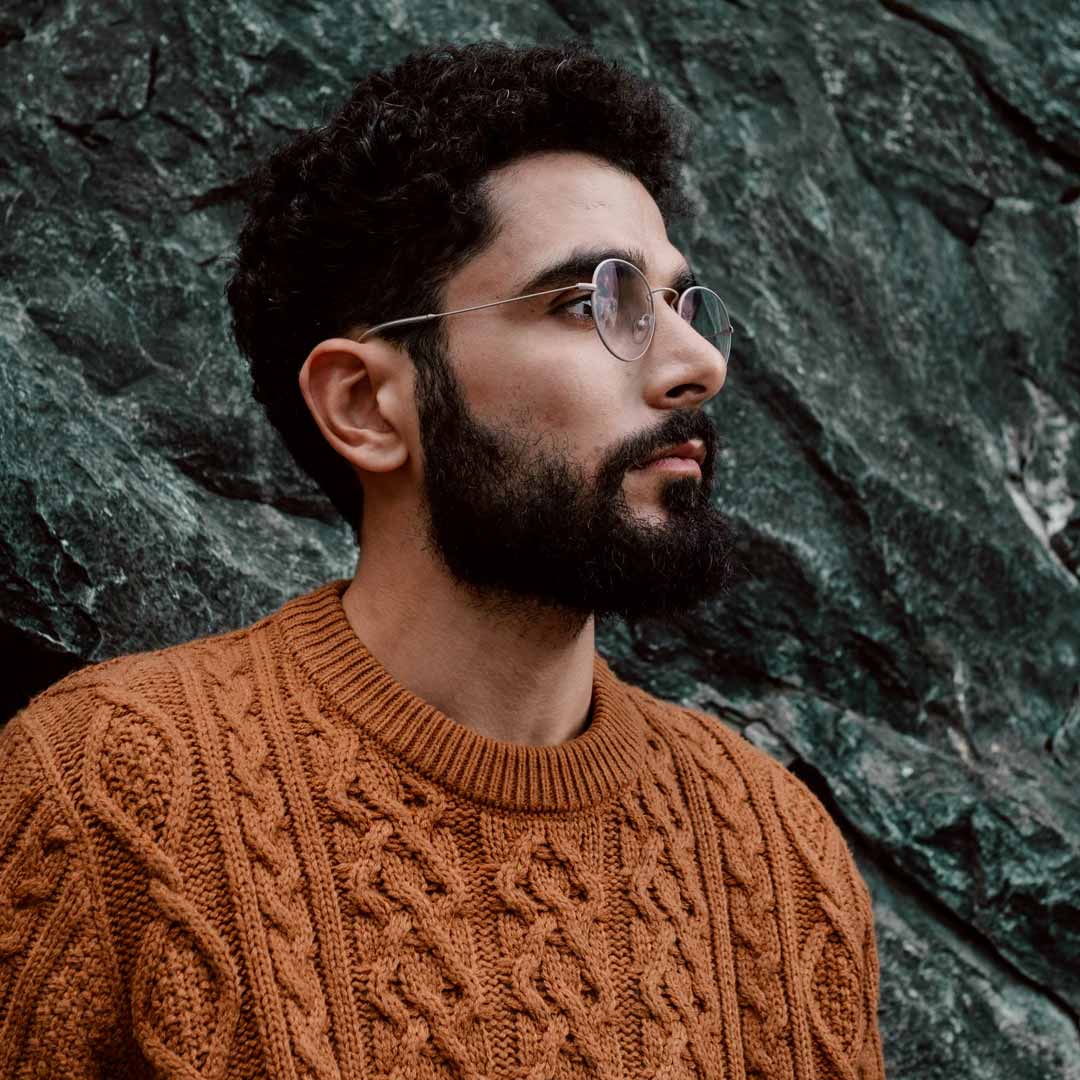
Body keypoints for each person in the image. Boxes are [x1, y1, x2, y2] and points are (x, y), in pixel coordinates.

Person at [0, 41, 886, 1079]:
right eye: (591, 302)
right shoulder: (108, 791)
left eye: (682, 306)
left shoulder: (777, 851)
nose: (699, 364)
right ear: (366, 406)